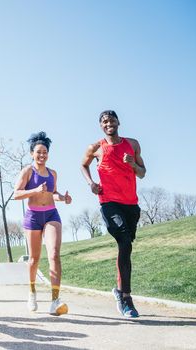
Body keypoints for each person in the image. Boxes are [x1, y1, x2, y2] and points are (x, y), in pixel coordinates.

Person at [80, 110, 146, 318]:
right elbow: (83, 165)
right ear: (101, 126)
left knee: (126, 247)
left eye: (112, 120)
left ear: (118, 122)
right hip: (108, 202)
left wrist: (132, 163)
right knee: (124, 241)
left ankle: (119, 291)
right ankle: (126, 299)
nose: (109, 123)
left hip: (130, 204)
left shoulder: (132, 144)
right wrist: (91, 184)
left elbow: (143, 173)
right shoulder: (96, 147)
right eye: (104, 121)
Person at [13, 132, 72, 316]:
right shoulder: (28, 171)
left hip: (52, 214)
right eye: (38, 152)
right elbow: (16, 194)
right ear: (32, 153)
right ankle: (32, 292)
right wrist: (35, 190)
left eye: (45, 152)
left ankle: (55, 300)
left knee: (54, 254)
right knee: (34, 259)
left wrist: (62, 198)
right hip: (33, 217)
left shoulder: (53, 173)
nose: (42, 155)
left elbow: (52, 193)